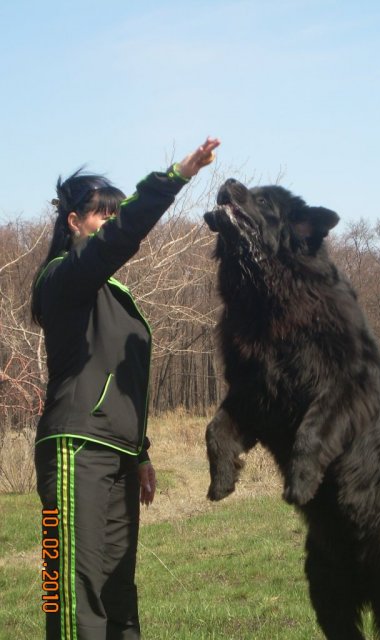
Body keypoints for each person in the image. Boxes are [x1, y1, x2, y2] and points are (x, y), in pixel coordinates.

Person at [32, 137, 220, 640]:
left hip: (117, 453)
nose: (110, 225)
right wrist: (174, 179)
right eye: (103, 217)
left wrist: (140, 454)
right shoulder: (63, 278)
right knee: (72, 592)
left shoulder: (114, 292)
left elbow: (124, 382)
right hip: (75, 448)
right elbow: (121, 239)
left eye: (115, 216)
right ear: (75, 222)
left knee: (119, 592)